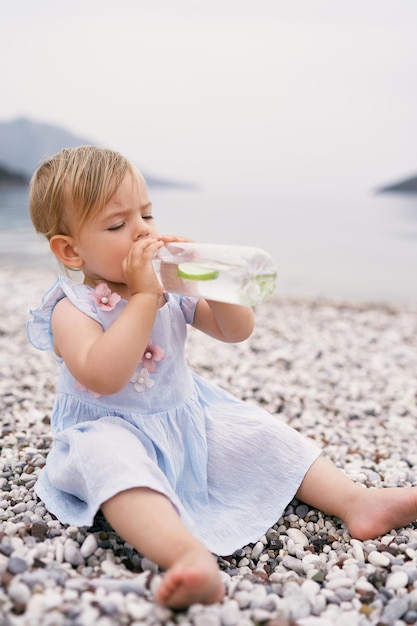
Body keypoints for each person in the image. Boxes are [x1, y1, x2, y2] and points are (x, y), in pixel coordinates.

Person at [27, 146, 417, 610]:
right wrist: (146, 299)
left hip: (185, 419)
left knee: (263, 435)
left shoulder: (169, 283)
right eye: (117, 225)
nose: (143, 232)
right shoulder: (73, 308)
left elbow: (235, 331)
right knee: (116, 467)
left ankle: (356, 501)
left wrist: (213, 280)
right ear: (70, 249)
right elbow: (104, 375)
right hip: (108, 427)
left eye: (147, 215)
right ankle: (186, 555)